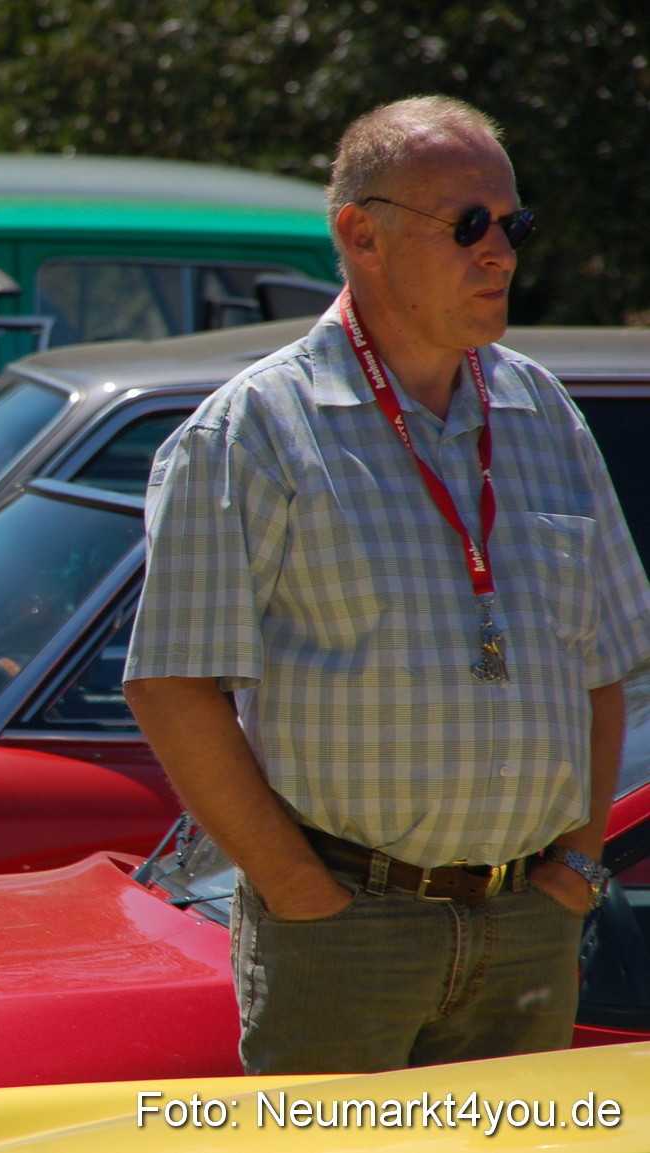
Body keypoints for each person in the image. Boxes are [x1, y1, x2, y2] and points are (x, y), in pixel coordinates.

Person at [122, 95, 650, 1076]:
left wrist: (575, 871)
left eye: (512, 225)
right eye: (467, 226)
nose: (499, 252)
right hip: (343, 932)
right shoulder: (256, 430)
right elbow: (170, 683)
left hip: (527, 931)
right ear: (359, 234)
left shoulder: (543, 413)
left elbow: (604, 663)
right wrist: (299, 892)